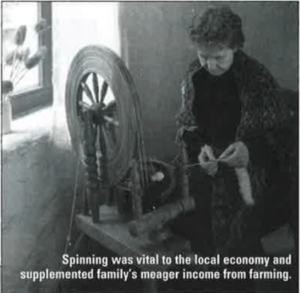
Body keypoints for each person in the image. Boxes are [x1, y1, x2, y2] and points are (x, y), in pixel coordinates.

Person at [173, 6, 297, 291]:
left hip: (258, 173)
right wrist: (200, 150)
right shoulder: (194, 75)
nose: (209, 65)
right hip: (210, 168)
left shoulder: (256, 78)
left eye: (219, 57)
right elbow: (188, 128)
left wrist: (249, 151)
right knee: (198, 215)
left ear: (236, 47)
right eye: (203, 55)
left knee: (238, 225)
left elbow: (279, 140)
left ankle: (240, 280)